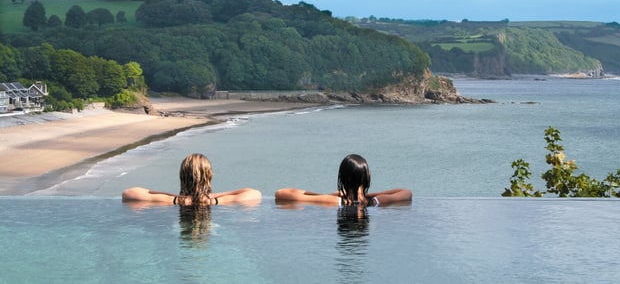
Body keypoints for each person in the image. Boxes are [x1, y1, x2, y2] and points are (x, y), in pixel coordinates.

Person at [122, 153, 261, 205]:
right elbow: (255, 193)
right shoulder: (217, 201)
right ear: (209, 177)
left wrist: (175, 196)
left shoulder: (172, 201)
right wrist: (211, 196)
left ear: (182, 176)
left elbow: (128, 193)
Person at [274, 153, 412, 207]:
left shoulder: (333, 200)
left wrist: (328, 194)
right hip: (365, 198)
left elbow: (281, 193)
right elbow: (406, 192)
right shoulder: (377, 201)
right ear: (367, 177)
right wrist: (366, 195)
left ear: (342, 177)